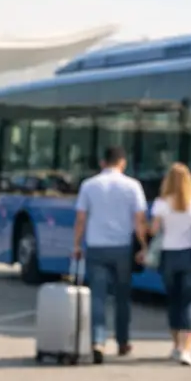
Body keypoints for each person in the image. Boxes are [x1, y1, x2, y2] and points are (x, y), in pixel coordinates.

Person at [71, 145, 148, 363]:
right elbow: (139, 220)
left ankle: (98, 341)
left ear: (103, 162)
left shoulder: (89, 185)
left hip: (96, 247)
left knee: (98, 296)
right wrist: (143, 246)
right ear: (122, 162)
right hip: (123, 248)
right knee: (122, 297)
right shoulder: (133, 186)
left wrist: (77, 245)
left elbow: (81, 219)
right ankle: (123, 341)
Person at [152, 162, 191, 366]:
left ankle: (176, 346)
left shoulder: (162, 203)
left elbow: (155, 228)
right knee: (189, 302)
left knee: (173, 301)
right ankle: (186, 349)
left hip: (168, 256)